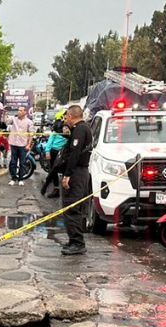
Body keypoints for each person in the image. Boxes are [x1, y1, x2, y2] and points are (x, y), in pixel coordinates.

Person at [57, 105, 93, 256]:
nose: (65, 120)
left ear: (71, 116)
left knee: (72, 207)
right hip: (79, 172)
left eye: (66, 117)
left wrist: (67, 175)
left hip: (77, 173)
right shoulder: (83, 128)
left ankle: (78, 243)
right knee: (72, 208)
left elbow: (75, 154)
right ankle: (73, 240)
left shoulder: (80, 130)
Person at [41, 118, 70, 198]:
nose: (65, 130)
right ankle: (55, 189)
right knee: (53, 171)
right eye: (64, 128)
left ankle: (63, 191)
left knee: (61, 171)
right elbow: (50, 142)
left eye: (67, 128)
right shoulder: (56, 131)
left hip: (63, 154)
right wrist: (47, 151)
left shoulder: (70, 134)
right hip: (53, 152)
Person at [7, 107, 34, 186]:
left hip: (23, 145)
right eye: (18, 110)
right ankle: (13, 178)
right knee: (13, 162)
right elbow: (6, 121)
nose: (19, 112)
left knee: (22, 162)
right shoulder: (14, 119)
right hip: (13, 143)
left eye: (21, 110)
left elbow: (31, 134)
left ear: (25, 112)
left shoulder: (29, 122)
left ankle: (21, 179)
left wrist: (29, 144)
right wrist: (4, 113)